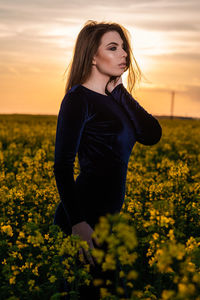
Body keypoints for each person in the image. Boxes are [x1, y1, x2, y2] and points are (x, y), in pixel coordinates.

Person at [53, 20, 162, 299]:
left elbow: (151, 134)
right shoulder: (78, 99)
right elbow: (62, 165)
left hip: (108, 220)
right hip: (84, 220)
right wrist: (78, 223)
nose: (123, 54)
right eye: (113, 48)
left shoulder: (116, 99)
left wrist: (119, 91)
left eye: (124, 48)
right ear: (91, 55)